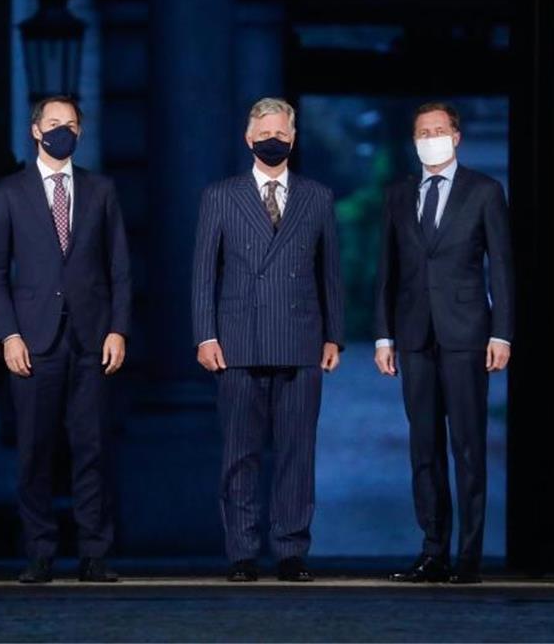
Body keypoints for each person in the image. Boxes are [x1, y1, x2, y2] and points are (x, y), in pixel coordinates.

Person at [191, 97, 344, 583]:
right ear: (248, 139)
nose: (273, 141)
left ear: (294, 139)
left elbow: (331, 274)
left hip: (300, 338)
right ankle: (241, 551)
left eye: (281, 133)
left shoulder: (317, 197)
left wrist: (334, 335)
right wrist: (204, 335)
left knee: (298, 451)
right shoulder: (220, 196)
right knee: (240, 451)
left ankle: (291, 550)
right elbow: (202, 275)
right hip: (238, 342)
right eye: (264, 134)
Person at [0, 95, 131, 583]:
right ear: (35, 131)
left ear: (80, 132)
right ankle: (40, 552)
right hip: (33, 339)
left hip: (91, 339)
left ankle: (93, 553)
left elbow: (120, 270)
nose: (62, 130)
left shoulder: (101, 190)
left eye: (70, 124)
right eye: (53, 124)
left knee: (92, 447)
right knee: (34, 449)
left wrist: (117, 329)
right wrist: (8, 334)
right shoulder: (9, 193)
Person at [374, 101, 514, 584]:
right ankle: (433, 550)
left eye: (439, 129)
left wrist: (502, 332)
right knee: (424, 448)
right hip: (413, 335)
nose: (430, 137)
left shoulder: (484, 192)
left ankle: (469, 556)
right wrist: (383, 335)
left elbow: (502, 266)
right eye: (422, 131)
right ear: (413, 140)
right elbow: (386, 271)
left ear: (456, 136)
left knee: (469, 447)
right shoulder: (398, 194)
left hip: (467, 333)